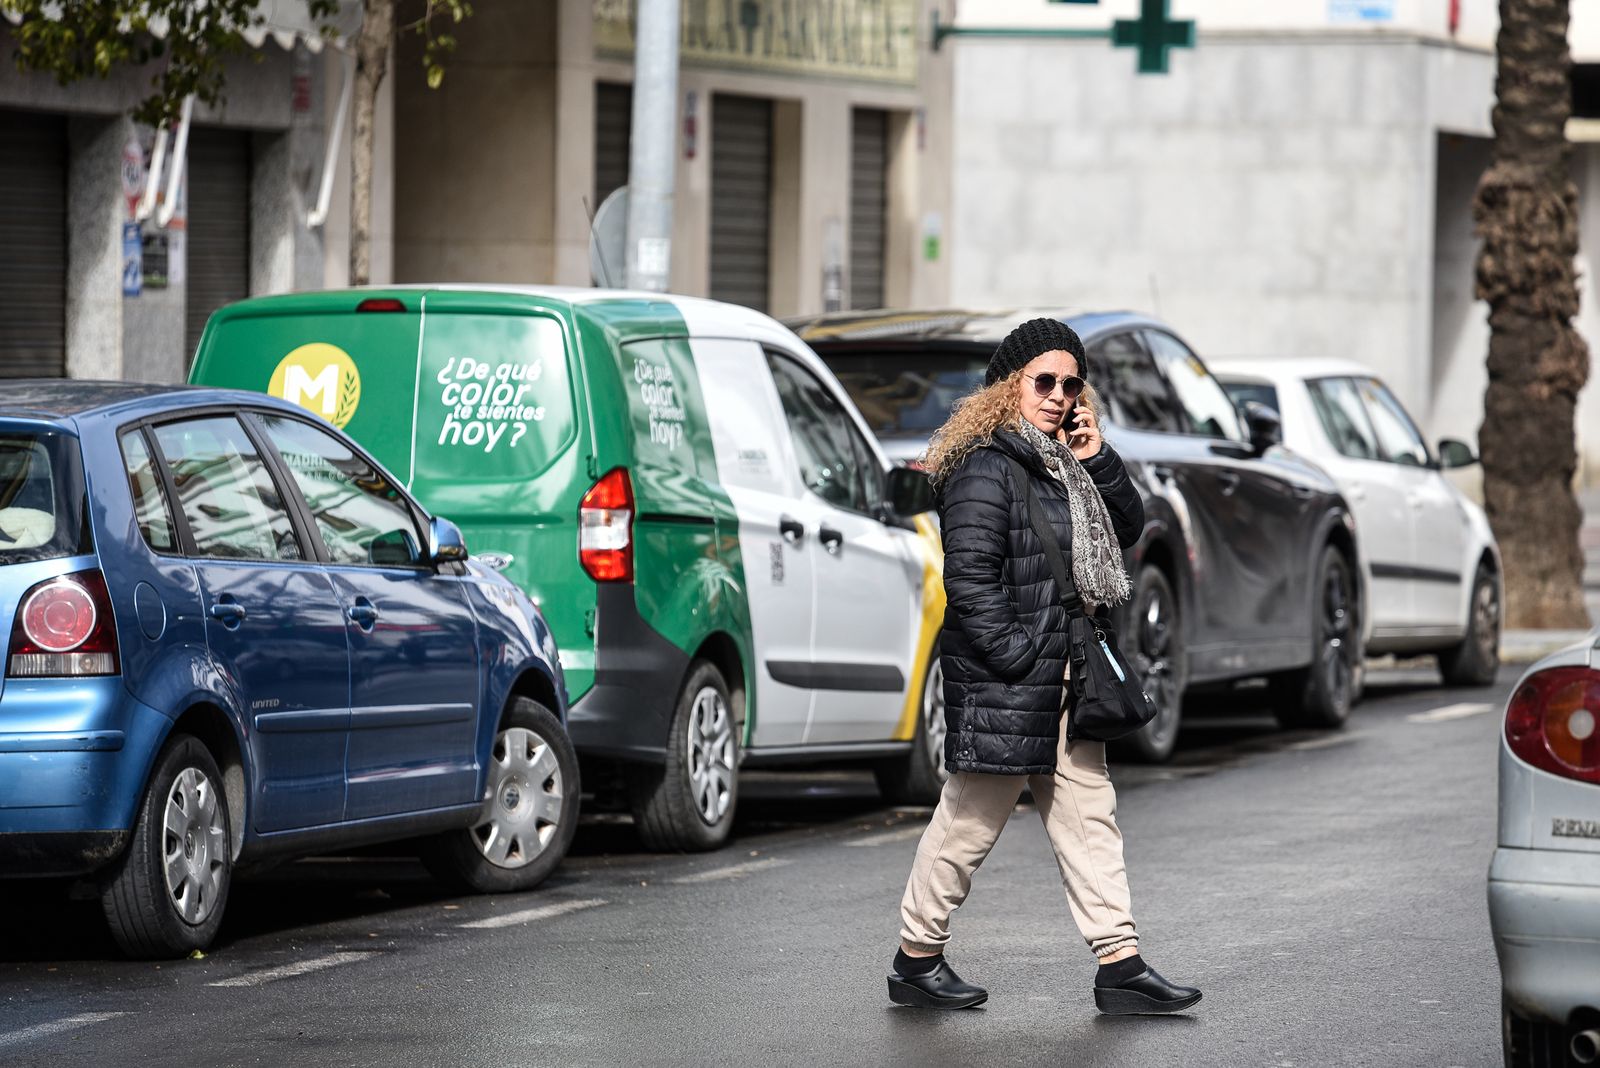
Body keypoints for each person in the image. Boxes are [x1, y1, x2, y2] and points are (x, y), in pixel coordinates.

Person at [887, 318, 1201, 1015]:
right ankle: (916, 958)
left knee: (1090, 816)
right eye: (1045, 381)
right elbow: (969, 583)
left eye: (1070, 383)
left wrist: (1098, 456)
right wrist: (1021, 657)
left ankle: (1120, 964)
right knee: (969, 822)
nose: (1059, 395)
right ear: (1009, 386)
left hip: (1067, 677)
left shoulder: (1062, 464)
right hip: (1011, 676)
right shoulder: (980, 466)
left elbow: (1126, 529)